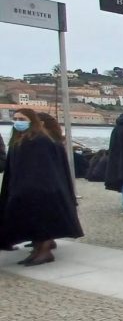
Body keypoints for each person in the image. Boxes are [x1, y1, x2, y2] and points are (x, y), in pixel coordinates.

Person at [0, 109, 83, 265]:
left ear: (32, 121)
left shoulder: (40, 140)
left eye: (22, 118)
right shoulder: (20, 139)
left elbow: (45, 167)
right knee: (32, 219)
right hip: (25, 188)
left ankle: (44, 251)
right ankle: (39, 249)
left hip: (40, 188)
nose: (18, 121)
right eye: (16, 118)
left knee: (41, 219)